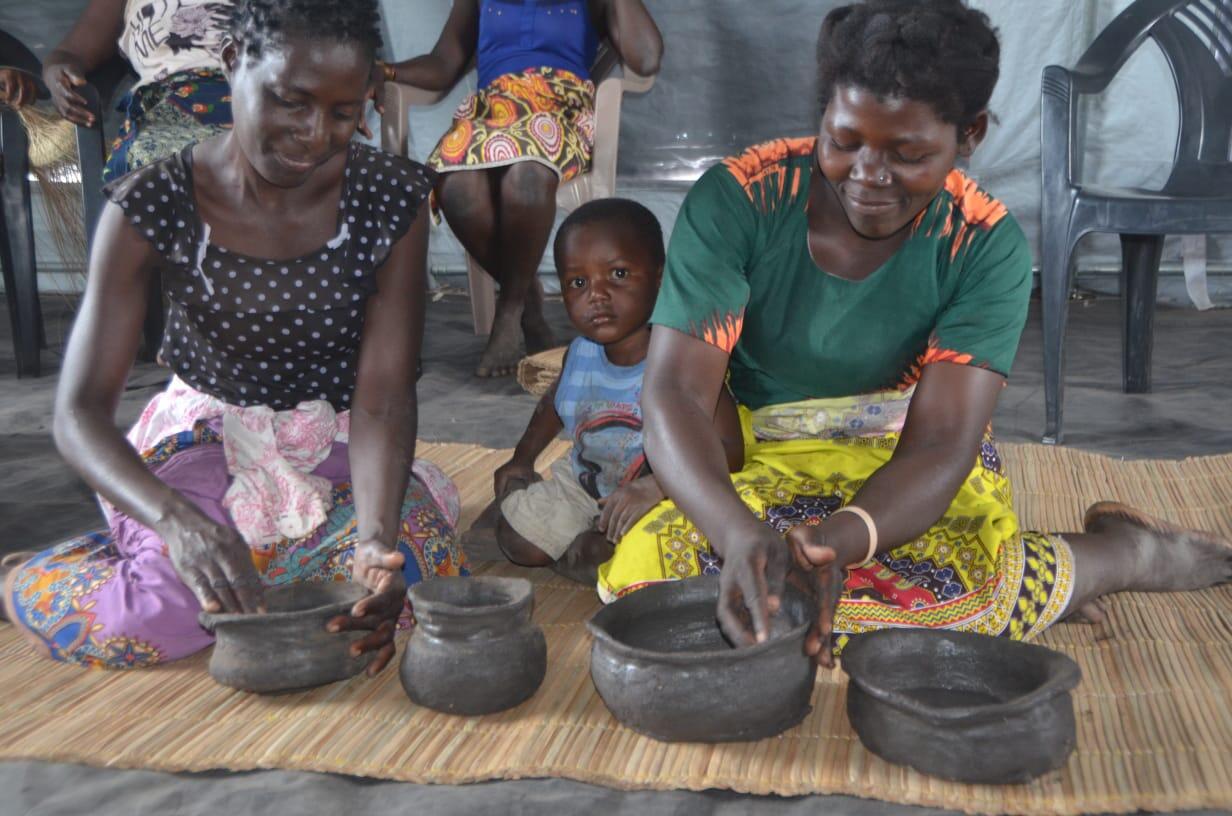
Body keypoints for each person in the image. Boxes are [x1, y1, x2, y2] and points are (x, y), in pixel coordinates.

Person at [601, 0, 1232, 666]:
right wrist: (736, 535)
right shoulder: (740, 200)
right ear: (823, 114)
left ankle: (1120, 554)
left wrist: (840, 542)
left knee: (963, 591)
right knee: (651, 575)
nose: (869, 174)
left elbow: (938, 443)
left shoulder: (984, 247)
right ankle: (1046, 588)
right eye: (844, 141)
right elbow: (676, 394)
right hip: (753, 452)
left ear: (970, 136)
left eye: (908, 154)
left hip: (901, 457)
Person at [0, 0, 467, 674]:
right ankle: (25, 578)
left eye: (343, 113)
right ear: (231, 64)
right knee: (160, 615)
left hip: (327, 440)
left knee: (410, 581)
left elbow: (383, 398)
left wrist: (373, 540)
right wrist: (176, 523)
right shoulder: (152, 202)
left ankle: (257, 555)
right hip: (204, 441)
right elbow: (77, 416)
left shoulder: (389, 197)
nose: (314, 134)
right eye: (289, 101)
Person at [374, 0, 663, 377]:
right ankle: (528, 303)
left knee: (526, 175)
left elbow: (645, 59)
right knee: (455, 184)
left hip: (557, 111)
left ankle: (508, 314)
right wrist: (386, 70)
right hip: (491, 114)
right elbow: (444, 64)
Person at [490, 198, 742, 584]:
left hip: (664, 494)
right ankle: (579, 543)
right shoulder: (580, 354)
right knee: (517, 543)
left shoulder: (685, 361)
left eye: (619, 274)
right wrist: (522, 458)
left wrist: (657, 486)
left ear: (661, 278)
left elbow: (731, 451)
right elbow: (553, 407)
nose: (597, 295)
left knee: (650, 550)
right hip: (585, 483)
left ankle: (590, 550)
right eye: (578, 283)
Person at [0, 0, 236, 182]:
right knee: (146, 167)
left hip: (247, 93)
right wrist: (57, 75)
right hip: (168, 107)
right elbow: (72, 54)